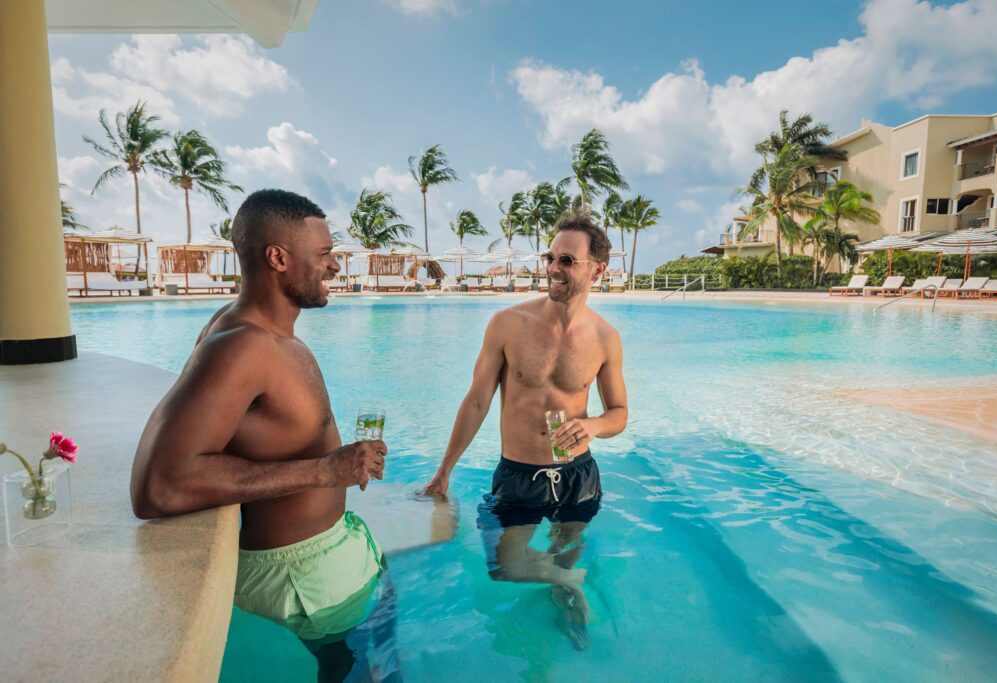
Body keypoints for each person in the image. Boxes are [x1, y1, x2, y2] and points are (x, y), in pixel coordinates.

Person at [130, 189, 389, 663]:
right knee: (362, 669)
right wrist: (325, 472)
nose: (335, 266)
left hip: (321, 558)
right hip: (303, 577)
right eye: (324, 255)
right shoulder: (243, 345)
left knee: (375, 644)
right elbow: (159, 487)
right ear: (278, 258)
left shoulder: (250, 332)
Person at [423, 210, 629, 648]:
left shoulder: (605, 338)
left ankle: (565, 593)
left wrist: (592, 425)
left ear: (598, 269)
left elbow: (619, 413)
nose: (553, 268)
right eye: (550, 257)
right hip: (519, 473)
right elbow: (477, 400)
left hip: (578, 474)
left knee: (566, 547)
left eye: (567, 261)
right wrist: (445, 469)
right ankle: (572, 582)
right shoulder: (508, 324)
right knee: (505, 566)